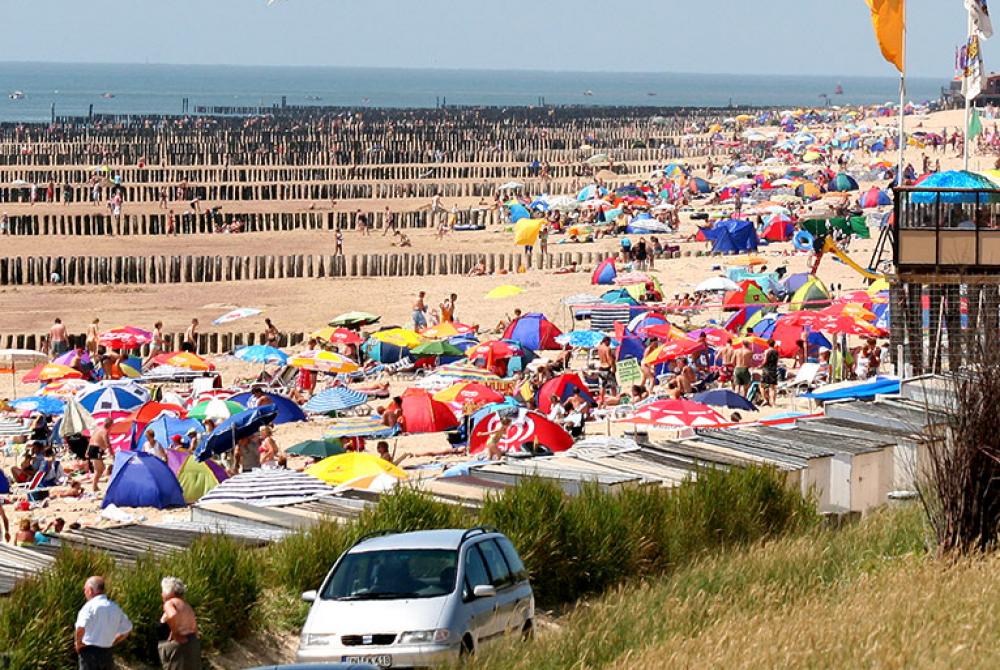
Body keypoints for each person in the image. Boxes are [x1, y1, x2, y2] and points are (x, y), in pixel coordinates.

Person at [75, 576, 132, 670]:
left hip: (89, 652)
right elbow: (127, 628)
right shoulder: (115, 608)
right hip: (107, 652)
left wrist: (78, 643)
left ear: (90, 590)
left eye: (85, 590)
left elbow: (80, 627)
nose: (84, 592)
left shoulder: (89, 607)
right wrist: (114, 641)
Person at [159, 577, 201, 670]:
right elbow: (195, 629)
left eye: (163, 591)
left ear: (169, 593)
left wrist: (175, 633)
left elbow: (173, 615)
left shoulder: (169, 603)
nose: (161, 594)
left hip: (177, 649)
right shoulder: (186, 606)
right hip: (192, 644)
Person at [89, 419, 112, 492]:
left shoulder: (98, 429)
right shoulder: (104, 431)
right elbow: (107, 443)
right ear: (110, 425)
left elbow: (91, 439)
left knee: (101, 468)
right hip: (96, 450)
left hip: (92, 448)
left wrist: (87, 451)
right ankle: (94, 486)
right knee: (99, 470)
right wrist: (112, 453)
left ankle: (95, 486)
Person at [761, 339, 780, 407]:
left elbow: (765, 361)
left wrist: (760, 365)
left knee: (762, 386)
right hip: (773, 370)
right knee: (772, 387)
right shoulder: (776, 352)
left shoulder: (767, 351)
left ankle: (765, 399)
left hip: (766, 369)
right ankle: (773, 403)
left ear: (768, 344)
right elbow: (777, 361)